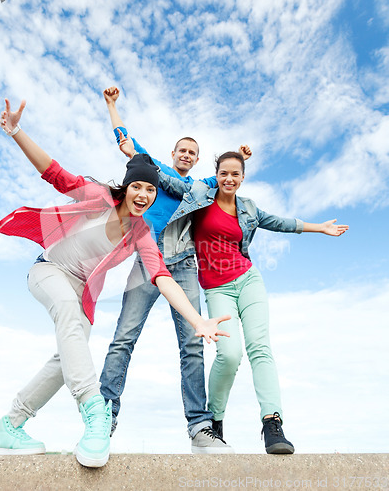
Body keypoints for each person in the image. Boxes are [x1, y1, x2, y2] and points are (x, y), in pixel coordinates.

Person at [0, 99, 230, 467]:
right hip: (48, 271)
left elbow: (162, 277)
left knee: (68, 355)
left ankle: (9, 425)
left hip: (80, 292)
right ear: (127, 187)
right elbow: (55, 173)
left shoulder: (143, 233)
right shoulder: (97, 195)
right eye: (138, 188)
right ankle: (95, 413)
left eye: (150, 190)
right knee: (69, 319)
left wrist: (197, 321)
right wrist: (16, 131)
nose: (144, 195)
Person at [121, 136, 349, 454]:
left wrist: (317, 227)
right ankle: (213, 423)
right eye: (224, 173)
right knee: (229, 354)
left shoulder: (249, 208)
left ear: (242, 178)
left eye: (236, 174)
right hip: (216, 286)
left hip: (248, 279)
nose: (229, 179)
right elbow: (165, 179)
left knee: (260, 349)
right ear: (216, 175)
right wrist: (136, 155)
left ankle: (273, 423)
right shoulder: (198, 194)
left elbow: (279, 222)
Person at [100, 87, 251, 453]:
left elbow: (229, 177)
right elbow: (125, 141)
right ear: (173, 154)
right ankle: (104, 414)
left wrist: (243, 157)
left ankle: (200, 427)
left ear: (196, 160)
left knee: (193, 344)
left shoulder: (202, 187)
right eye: (182, 150)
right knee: (124, 337)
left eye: (192, 153)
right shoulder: (155, 170)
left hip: (184, 266)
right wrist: (112, 106)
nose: (186, 155)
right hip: (147, 260)